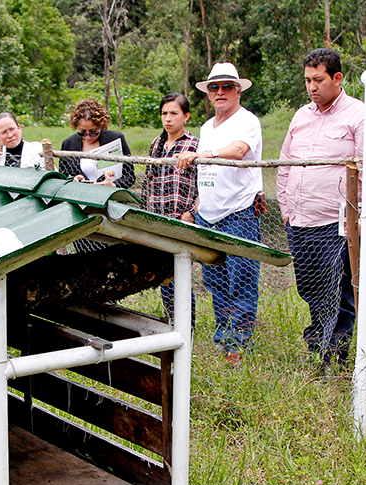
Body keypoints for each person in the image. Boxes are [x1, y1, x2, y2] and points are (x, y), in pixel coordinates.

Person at [276, 48, 366, 375]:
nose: (311, 86)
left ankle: (333, 360)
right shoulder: (301, 115)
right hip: (299, 221)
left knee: (338, 292)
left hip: (336, 224)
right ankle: (317, 345)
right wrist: (285, 206)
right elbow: (284, 164)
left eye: (318, 80)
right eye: (308, 80)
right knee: (309, 289)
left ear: (337, 78)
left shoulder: (360, 115)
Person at [176, 63, 265, 365]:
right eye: (214, 87)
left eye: (227, 86)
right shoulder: (205, 127)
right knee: (215, 282)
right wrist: (198, 203)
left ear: (238, 90)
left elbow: (238, 151)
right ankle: (223, 340)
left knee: (241, 279)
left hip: (238, 212)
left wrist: (203, 154)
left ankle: (239, 346)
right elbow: (205, 171)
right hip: (208, 214)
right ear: (208, 94)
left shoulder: (247, 121)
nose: (220, 92)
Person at [142, 92, 199, 324]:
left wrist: (192, 212)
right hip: (157, 217)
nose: (168, 119)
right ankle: (172, 320)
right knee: (164, 275)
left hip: (180, 217)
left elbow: (203, 183)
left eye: (174, 113)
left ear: (186, 116)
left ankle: (187, 324)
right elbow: (148, 180)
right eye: (164, 113)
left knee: (181, 273)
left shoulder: (194, 145)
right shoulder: (156, 144)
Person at [59, 98, 135, 189]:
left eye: (93, 132)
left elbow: (129, 176)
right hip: (81, 197)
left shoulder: (115, 139)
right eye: (82, 132)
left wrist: (113, 185)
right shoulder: (68, 144)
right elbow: (63, 178)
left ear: (101, 126)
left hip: (111, 198)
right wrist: (73, 180)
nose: (88, 136)